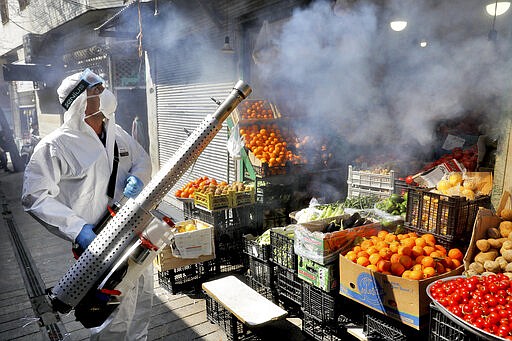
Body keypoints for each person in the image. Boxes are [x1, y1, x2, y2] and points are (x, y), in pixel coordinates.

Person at [21, 69, 153, 340]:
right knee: (111, 315)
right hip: (97, 243)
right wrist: (78, 229)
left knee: (141, 303)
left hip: (133, 233)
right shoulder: (55, 146)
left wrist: (138, 177)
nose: (104, 93)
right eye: (96, 90)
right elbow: (34, 195)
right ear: (79, 101)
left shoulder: (116, 133)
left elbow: (143, 160)